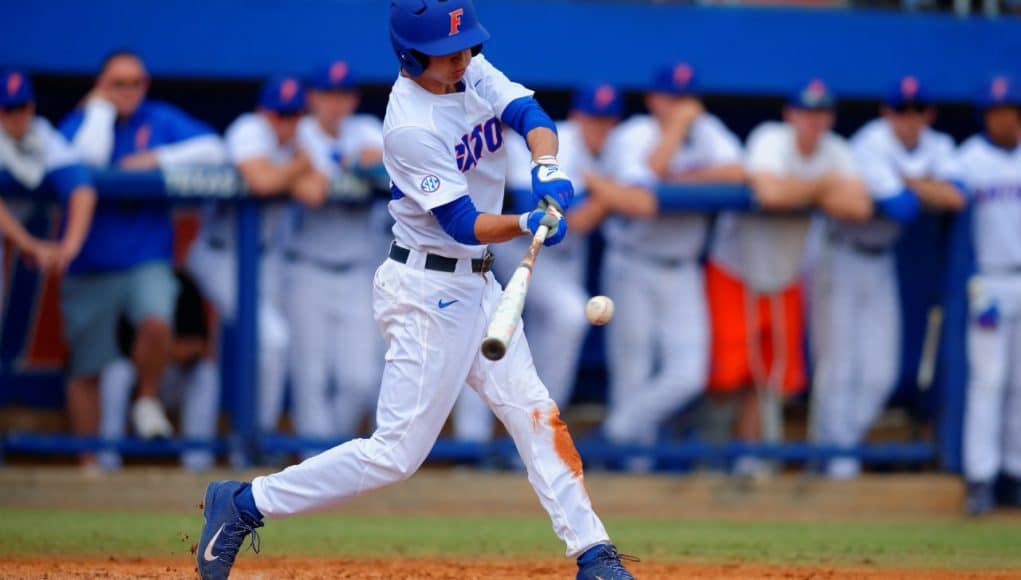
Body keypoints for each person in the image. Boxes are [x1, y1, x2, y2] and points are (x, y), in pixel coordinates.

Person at [196, 2, 636, 579]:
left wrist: (546, 165)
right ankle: (245, 503)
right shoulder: (409, 126)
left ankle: (594, 554)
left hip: (479, 283)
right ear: (411, 56)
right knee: (396, 454)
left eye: (466, 47)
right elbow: (460, 222)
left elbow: (526, 111)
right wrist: (526, 223)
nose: (463, 58)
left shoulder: (467, 66)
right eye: (446, 52)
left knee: (535, 413)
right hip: (427, 290)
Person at [59, 51, 226, 458]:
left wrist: (158, 160)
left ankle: (147, 398)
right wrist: (98, 110)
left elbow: (215, 150)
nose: (129, 91)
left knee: (156, 320)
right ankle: (88, 468)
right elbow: (87, 159)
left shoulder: (159, 119)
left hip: (146, 256)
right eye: (118, 83)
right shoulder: (81, 121)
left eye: (136, 83)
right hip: (89, 262)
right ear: (101, 85)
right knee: (88, 369)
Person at [705, 79, 870, 477]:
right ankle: (706, 456)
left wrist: (799, 189)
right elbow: (770, 193)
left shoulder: (837, 150)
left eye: (821, 112)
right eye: (806, 111)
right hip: (736, 267)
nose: (814, 120)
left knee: (772, 376)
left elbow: (859, 206)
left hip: (783, 274)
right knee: (727, 375)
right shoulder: (770, 138)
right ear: (790, 114)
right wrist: (824, 187)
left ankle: (747, 459)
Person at [811, 76, 965, 480]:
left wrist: (909, 181)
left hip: (880, 261)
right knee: (840, 368)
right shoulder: (871, 142)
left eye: (917, 110)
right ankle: (836, 462)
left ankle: (841, 448)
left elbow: (957, 195)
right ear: (887, 112)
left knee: (882, 374)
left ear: (928, 115)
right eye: (901, 110)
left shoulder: (939, 145)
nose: (908, 119)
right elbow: (901, 209)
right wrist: (926, 185)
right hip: (841, 255)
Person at [453, 83, 624, 445]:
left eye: (606, 121)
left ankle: (536, 429)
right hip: (515, 254)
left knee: (564, 322)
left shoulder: (616, 149)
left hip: (562, 259)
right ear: (577, 117)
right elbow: (570, 218)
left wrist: (606, 193)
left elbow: (643, 196)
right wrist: (610, 195)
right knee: (495, 330)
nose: (599, 128)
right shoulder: (554, 145)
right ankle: (475, 440)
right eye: (593, 119)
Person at [594, 64, 744, 466]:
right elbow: (648, 182)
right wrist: (676, 133)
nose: (680, 106)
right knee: (633, 371)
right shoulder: (634, 134)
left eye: (685, 98)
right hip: (633, 262)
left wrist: (685, 179)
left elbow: (740, 174)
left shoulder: (708, 130)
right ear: (652, 99)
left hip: (683, 266)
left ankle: (615, 433)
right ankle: (634, 472)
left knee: (690, 372)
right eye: (671, 97)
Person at [187, 76, 318, 435]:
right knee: (261, 342)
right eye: (279, 115)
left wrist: (286, 173)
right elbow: (260, 181)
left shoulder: (303, 137)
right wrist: (296, 168)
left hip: (263, 259)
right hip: (218, 256)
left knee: (267, 347)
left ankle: (255, 437)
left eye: (294, 115)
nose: (287, 124)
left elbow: (316, 191)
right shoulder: (249, 128)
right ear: (265, 112)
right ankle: (246, 440)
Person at [284, 61, 386, 444]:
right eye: (328, 94)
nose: (335, 103)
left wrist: (352, 164)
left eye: (343, 95)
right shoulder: (301, 131)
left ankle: (333, 457)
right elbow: (310, 191)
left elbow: (388, 166)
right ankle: (314, 460)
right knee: (310, 375)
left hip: (359, 268)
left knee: (360, 377)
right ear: (312, 97)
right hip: (306, 266)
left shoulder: (366, 128)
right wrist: (350, 165)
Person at [958, 75, 1021, 516]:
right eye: (996, 111)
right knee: (988, 381)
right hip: (990, 280)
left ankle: (1014, 475)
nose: (1004, 118)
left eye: (1011, 110)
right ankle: (980, 476)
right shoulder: (968, 160)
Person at [97, 270, 220, 471]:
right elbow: (124, 350)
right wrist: (159, 351)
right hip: (138, 384)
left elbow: (200, 347)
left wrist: (161, 349)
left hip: (173, 378)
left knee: (206, 374)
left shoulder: (185, 286)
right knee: (116, 373)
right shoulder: (131, 286)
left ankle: (198, 464)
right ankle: (107, 462)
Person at [0, 71, 96, 306]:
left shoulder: (41, 134)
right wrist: (29, 245)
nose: (15, 116)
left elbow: (81, 187)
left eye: (21, 107)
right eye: (7, 109)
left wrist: (69, 248)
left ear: (31, 107)